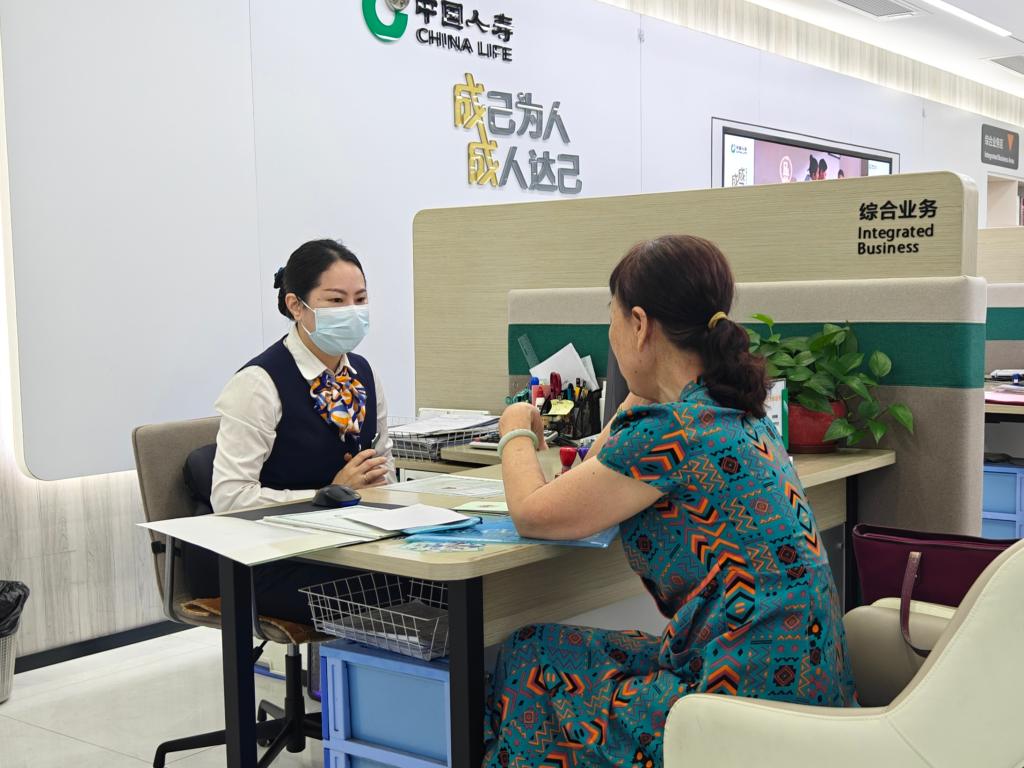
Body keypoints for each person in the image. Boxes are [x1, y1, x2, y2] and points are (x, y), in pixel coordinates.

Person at [484, 235, 856, 767]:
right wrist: (645, 387)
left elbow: (533, 514)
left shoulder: (673, 432)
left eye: (612, 320)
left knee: (531, 660)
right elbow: (602, 464)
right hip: (807, 685)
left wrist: (514, 426)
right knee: (544, 649)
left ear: (639, 324)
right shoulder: (734, 411)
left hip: (739, 707)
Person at [198, 239, 395, 623]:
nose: (352, 311)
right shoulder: (259, 383)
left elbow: (383, 467)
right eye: (336, 300)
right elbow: (230, 498)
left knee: (446, 580)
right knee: (416, 589)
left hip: (354, 546)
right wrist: (325, 496)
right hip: (278, 562)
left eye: (360, 299)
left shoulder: (364, 375)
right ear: (296, 305)